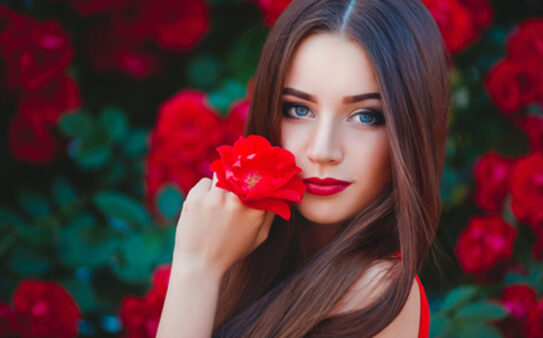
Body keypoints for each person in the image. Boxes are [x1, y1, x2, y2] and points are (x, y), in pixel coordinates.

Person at [156, 0, 450, 336]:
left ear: (410, 129)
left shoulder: (378, 290)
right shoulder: (242, 254)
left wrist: (196, 270)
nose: (323, 151)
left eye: (366, 116)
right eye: (298, 109)